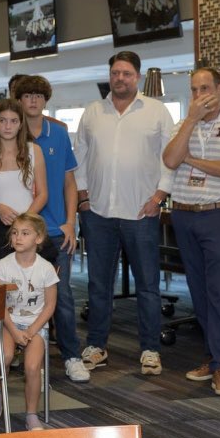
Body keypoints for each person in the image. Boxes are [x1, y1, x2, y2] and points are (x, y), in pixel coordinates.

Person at [74, 51, 174, 377]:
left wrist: (159, 197)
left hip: (141, 211)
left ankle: (149, 349)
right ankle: (97, 346)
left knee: (148, 285)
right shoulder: (92, 112)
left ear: (137, 77)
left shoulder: (156, 112)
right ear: (110, 75)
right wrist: (83, 197)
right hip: (98, 211)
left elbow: (169, 158)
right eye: (116, 72)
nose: (120, 78)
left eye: (127, 73)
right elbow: (81, 157)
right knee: (98, 285)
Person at [162, 68, 220, 398]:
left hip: (216, 215)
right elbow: (171, 159)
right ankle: (212, 358)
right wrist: (190, 121)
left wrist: (193, 159)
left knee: (218, 291)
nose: (201, 95)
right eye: (195, 89)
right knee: (197, 292)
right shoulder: (181, 125)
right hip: (183, 216)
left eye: (206, 88)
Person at [13, 75, 86, 383]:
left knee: (62, 295)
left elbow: (70, 183)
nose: (33, 101)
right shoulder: (11, 134)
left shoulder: (58, 133)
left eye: (39, 96)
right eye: (28, 96)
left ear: (45, 100)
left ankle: (71, 356)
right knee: (17, 294)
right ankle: (19, 350)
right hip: (19, 231)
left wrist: (71, 222)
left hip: (56, 230)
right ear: (19, 100)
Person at [0, 213, 57, 431]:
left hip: (35, 325)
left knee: (33, 366)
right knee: (5, 355)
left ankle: (31, 414)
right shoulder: (4, 266)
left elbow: (50, 306)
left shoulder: (46, 268)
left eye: (25, 233)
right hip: (8, 321)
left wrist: (32, 330)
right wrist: (16, 332)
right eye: (15, 233)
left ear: (38, 238)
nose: (18, 238)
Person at [0, 100, 46, 273]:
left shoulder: (34, 151)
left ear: (21, 124)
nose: (8, 126)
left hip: (29, 228)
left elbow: (43, 194)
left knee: (32, 287)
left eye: (13, 121)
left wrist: (25, 221)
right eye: (2, 120)